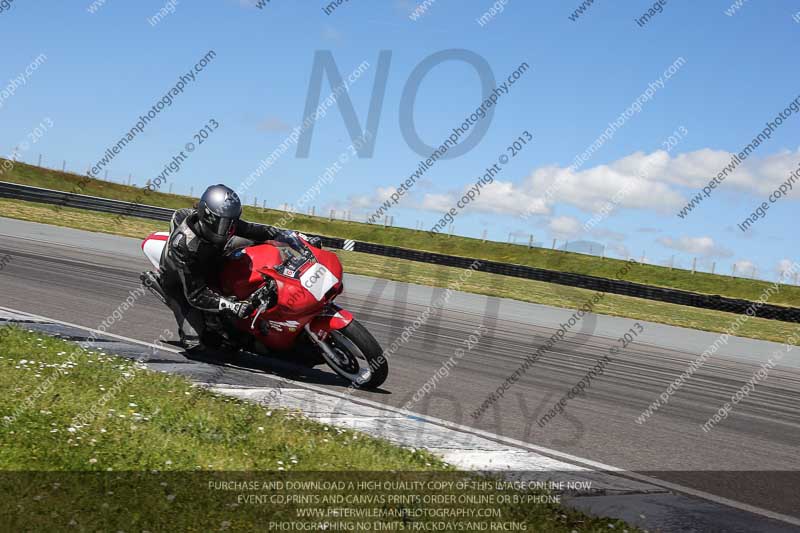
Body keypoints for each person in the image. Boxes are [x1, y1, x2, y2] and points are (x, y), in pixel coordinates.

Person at [141, 184, 306, 350]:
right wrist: (231, 306)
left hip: (213, 258)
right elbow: (195, 295)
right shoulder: (185, 245)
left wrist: (289, 236)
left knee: (254, 243)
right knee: (197, 344)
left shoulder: (227, 223)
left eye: (230, 223)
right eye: (222, 224)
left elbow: (254, 230)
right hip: (182, 281)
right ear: (207, 217)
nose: (227, 229)